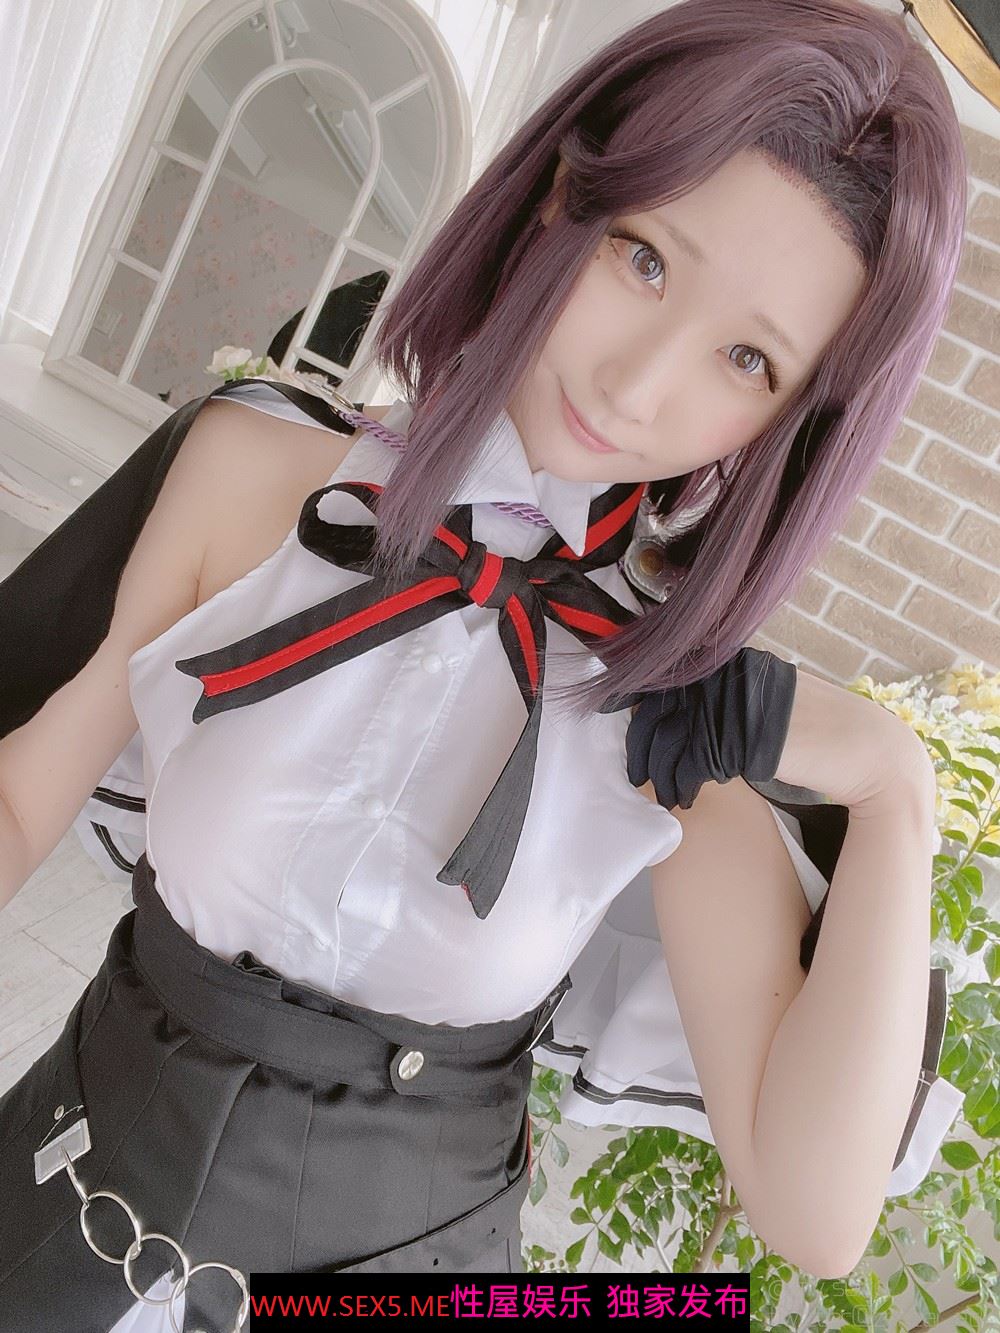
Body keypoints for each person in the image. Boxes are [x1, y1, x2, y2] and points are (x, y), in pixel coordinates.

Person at [0, 0, 969, 1327]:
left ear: (790, 424)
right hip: (56, 1223)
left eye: (747, 359)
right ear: (562, 192)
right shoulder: (258, 477)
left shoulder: (669, 715)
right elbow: (19, 800)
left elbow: (816, 1212)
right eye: (643, 258)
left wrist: (897, 786)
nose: (637, 386)